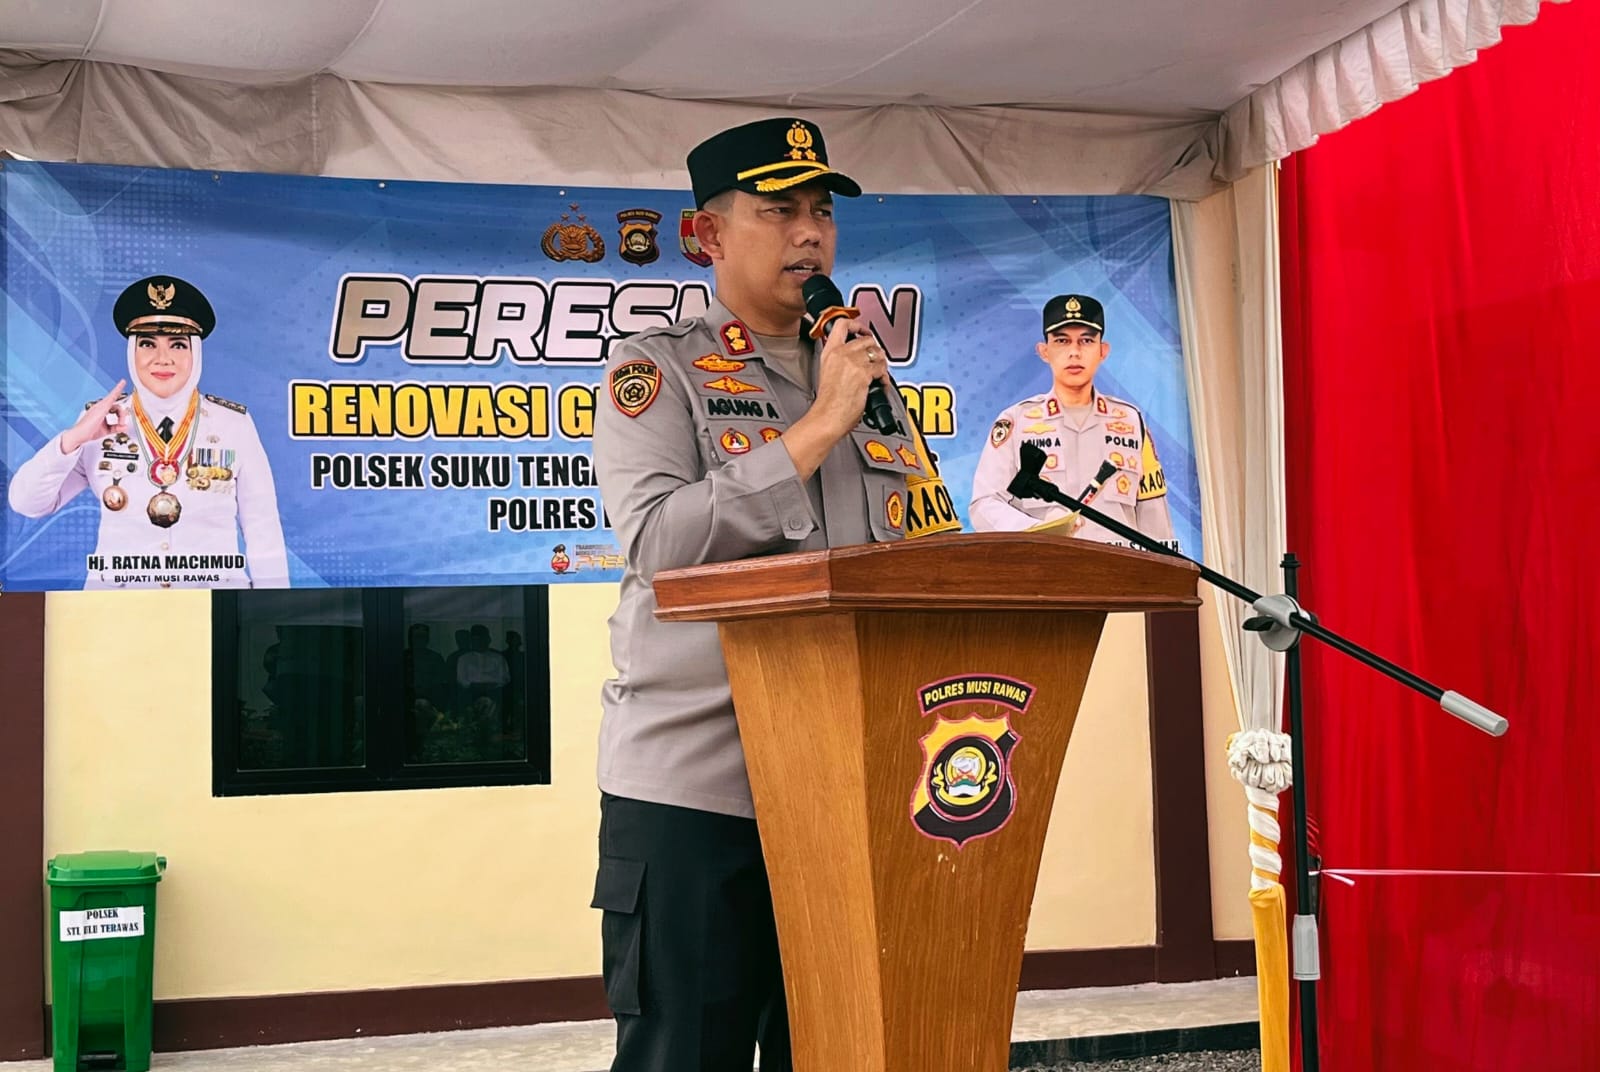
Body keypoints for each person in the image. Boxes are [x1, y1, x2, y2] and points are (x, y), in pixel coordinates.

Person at [589, 116, 928, 1072]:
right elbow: (659, 544)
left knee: (829, 1050)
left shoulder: (869, 382)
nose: (810, 233)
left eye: (822, 212)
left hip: (846, 781)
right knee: (684, 1055)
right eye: (778, 211)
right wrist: (817, 427)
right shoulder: (655, 371)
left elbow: (916, 547)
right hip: (700, 790)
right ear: (706, 235)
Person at [7, 274, 289, 588]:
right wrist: (72, 439)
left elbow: (262, 528)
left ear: (195, 353)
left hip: (213, 603)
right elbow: (26, 503)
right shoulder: (98, 422)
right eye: (147, 344)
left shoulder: (233, 424)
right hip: (118, 605)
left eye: (177, 344)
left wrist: (273, 609)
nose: (162, 359)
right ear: (133, 352)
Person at [968, 293, 1177, 549]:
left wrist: (1164, 568)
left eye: (1086, 341)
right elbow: (985, 504)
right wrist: (1035, 530)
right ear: (1044, 351)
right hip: (1044, 565)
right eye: (1062, 341)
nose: (1074, 352)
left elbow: (1154, 515)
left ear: (1103, 351)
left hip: (1118, 569)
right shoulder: (1017, 421)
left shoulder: (1130, 421)